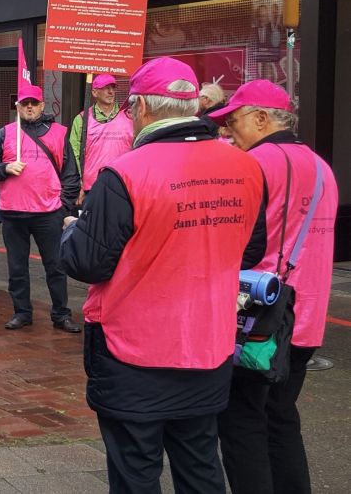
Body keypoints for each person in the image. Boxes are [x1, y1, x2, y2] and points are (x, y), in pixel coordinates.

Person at [60, 57, 266, 494]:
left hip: (133, 352)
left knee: (136, 473)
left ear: (140, 109)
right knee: (201, 466)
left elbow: (86, 263)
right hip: (208, 346)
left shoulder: (125, 173)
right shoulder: (246, 168)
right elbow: (251, 249)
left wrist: (73, 231)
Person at [209, 80, 338, 494]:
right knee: (282, 418)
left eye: (233, 122)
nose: (227, 132)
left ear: (261, 118)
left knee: (242, 423)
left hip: (259, 324)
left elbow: (244, 245)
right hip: (307, 319)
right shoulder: (321, 167)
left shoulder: (255, 164)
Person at [0, 84, 81, 333]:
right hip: (14, 212)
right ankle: (22, 312)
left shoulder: (59, 133)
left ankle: (60, 314)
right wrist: (5, 168)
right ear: (17, 106)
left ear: (42, 105)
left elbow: (71, 176)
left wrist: (63, 207)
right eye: (24, 103)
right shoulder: (5, 133)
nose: (29, 107)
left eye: (33, 103)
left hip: (48, 213)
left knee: (56, 267)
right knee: (16, 267)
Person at [68, 74, 133, 204]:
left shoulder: (130, 117)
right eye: (105, 88)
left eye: (113, 88)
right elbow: (73, 154)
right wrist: (78, 185)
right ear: (94, 92)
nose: (111, 92)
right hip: (92, 188)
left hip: (124, 186)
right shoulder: (82, 119)